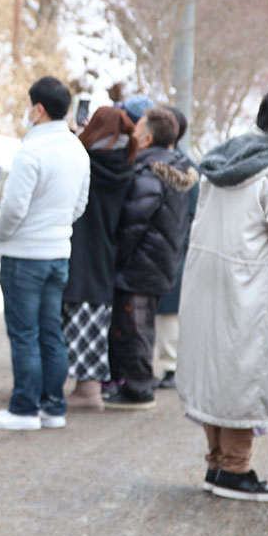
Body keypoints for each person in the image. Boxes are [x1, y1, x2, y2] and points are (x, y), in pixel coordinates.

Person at [178, 84, 268, 503]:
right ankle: (235, 469)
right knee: (244, 374)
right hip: (251, 286)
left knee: (214, 371)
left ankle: (216, 461)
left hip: (206, 278)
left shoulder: (222, 158)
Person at [0, 77, 91, 431]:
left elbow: (13, 208)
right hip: (58, 253)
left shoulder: (31, 151)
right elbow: (79, 205)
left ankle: (24, 408)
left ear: (39, 109)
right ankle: (52, 406)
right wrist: (56, 226)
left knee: (25, 334)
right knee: (51, 332)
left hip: (24, 255)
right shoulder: (78, 150)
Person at [105, 107, 198, 410]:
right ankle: (136, 384)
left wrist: (117, 257)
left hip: (140, 264)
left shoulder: (148, 171)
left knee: (135, 328)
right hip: (159, 260)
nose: (131, 134)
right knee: (140, 326)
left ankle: (138, 389)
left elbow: (133, 224)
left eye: (136, 130)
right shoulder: (175, 167)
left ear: (146, 139)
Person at [64, 106, 136, 412]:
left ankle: (72, 389)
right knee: (94, 317)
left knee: (65, 314)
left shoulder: (80, 160)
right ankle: (89, 388)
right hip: (107, 249)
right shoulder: (130, 165)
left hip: (74, 243)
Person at [154, 106, 199, 391]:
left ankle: (173, 365)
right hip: (174, 244)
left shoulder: (180, 166)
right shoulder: (186, 163)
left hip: (175, 245)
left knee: (170, 309)